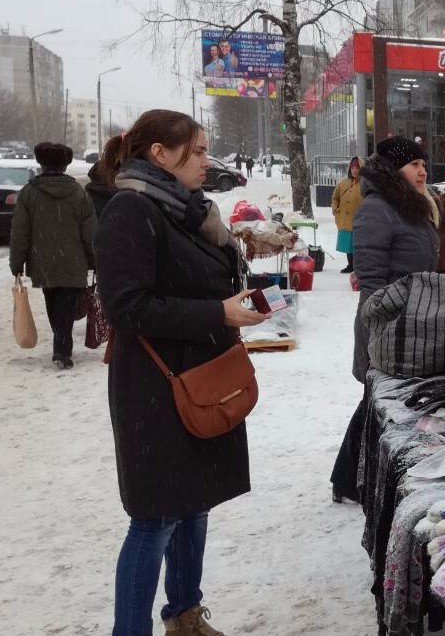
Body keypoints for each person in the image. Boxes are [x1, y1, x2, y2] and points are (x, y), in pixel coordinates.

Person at [94, 110, 267, 636]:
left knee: (194, 506)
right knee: (155, 520)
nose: (205, 161)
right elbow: (125, 307)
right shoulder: (131, 210)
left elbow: (193, 281)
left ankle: (185, 616)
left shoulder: (190, 211)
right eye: (195, 151)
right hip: (156, 386)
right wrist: (219, 313)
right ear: (159, 154)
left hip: (203, 377)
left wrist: (236, 299)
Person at [331, 137, 439, 504]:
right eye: (413, 165)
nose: (422, 170)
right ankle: (349, 479)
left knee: (376, 406)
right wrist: (385, 323)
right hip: (385, 324)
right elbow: (372, 277)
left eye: (424, 164)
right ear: (394, 171)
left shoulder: (412, 206)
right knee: (376, 406)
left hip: (410, 320)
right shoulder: (378, 208)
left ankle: (347, 479)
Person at [8, 142, 96, 370]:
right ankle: (62, 348)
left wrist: (17, 262)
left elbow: (20, 231)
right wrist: (95, 259)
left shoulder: (29, 193)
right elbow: (90, 232)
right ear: (66, 164)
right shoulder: (78, 193)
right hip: (74, 261)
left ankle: (61, 346)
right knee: (66, 305)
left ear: (41, 163)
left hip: (43, 261)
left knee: (53, 301)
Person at [331, 156, 364, 273]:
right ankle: (350, 265)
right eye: (353, 167)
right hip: (345, 219)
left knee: (358, 245)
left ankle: (358, 266)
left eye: (358, 167)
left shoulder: (366, 184)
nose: (355, 170)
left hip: (360, 220)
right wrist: (335, 209)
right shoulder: (343, 183)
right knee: (348, 245)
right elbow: (335, 198)